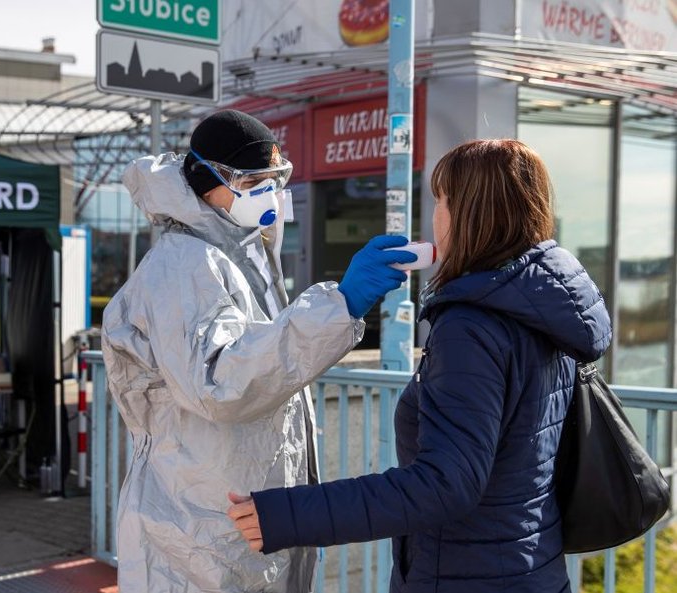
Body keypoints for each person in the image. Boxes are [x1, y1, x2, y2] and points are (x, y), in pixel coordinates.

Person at [227, 139, 614, 593]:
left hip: (465, 577)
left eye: (441, 200)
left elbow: (444, 484)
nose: (435, 216)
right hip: (534, 569)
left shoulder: (471, 327)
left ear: (469, 214)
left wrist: (288, 516)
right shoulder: (546, 313)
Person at [100, 109, 416, 593]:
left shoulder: (238, 251)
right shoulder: (185, 262)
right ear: (210, 179)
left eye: (275, 177)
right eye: (254, 179)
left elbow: (261, 360)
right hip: (197, 526)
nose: (268, 190)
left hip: (232, 512)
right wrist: (337, 306)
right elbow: (220, 382)